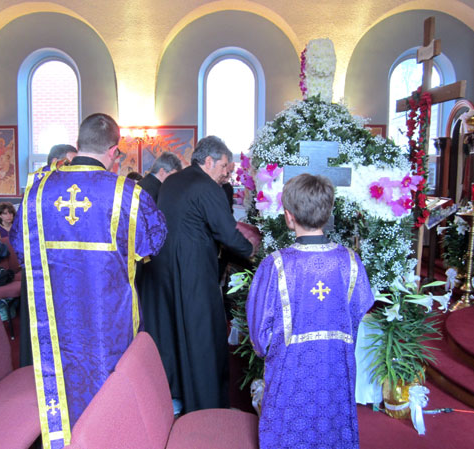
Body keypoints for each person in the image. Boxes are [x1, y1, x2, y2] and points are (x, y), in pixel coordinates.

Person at [10, 112, 167, 448]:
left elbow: (18, 245)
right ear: (114, 152)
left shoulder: (36, 193)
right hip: (107, 319)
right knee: (108, 380)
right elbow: (153, 240)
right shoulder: (127, 193)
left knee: (63, 380)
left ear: (78, 144)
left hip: (56, 320)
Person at [246, 174, 375, 449]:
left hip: (289, 372)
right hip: (335, 369)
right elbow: (360, 309)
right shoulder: (350, 262)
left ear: (289, 217)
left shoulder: (276, 266)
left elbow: (260, 337)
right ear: (327, 213)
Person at [139, 135, 255, 415]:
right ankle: (207, 403)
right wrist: (250, 251)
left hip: (163, 272)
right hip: (192, 272)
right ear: (209, 161)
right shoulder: (207, 187)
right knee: (202, 333)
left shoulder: (174, 181)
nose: (227, 172)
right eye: (225, 165)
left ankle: (176, 395)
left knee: (174, 331)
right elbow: (227, 232)